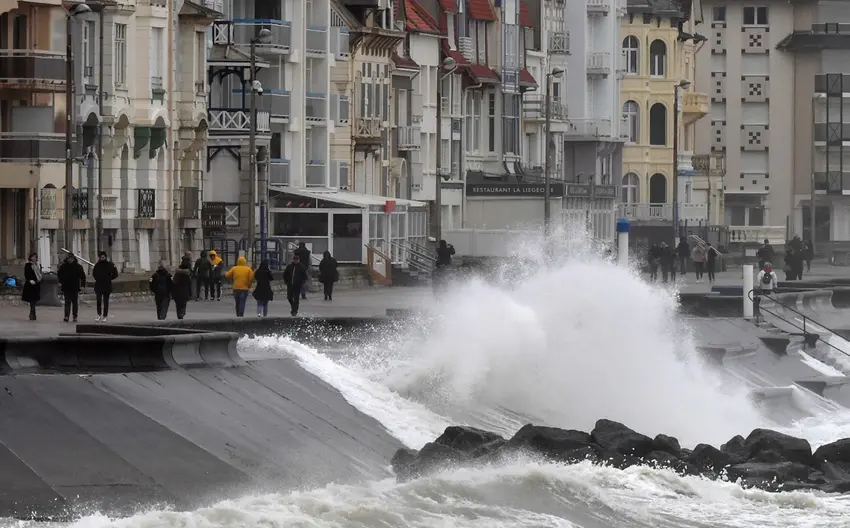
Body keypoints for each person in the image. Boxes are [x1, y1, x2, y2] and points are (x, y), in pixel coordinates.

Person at [58, 253, 86, 323]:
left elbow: (83, 276)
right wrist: (61, 282)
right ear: (67, 259)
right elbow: (59, 275)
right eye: (69, 258)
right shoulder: (63, 266)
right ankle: (66, 316)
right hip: (66, 287)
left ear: (73, 259)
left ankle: (75, 316)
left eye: (71, 258)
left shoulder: (78, 267)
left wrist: (82, 285)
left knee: (75, 303)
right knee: (67, 302)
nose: (70, 260)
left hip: (75, 287)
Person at [92, 251, 118, 322]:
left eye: (103, 257)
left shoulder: (110, 265)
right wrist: (97, 278)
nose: (102, 258)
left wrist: (109, 278)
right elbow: (94, 274)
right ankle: (99, 314)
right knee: (98, 301)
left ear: (105, 257)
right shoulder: (97, 265)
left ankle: (105, 316)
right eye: (101, 257)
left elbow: (115, 273)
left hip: (107, 285)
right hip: (99, 285)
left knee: (106, 301)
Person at [22, 253, 42, 321]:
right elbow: (26, 274)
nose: (34, 258)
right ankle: (32, 314)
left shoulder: (38, 265)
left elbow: (40, 273)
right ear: (30, 257)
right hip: (30, 285)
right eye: (32, 257)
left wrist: (38, 280)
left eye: (35, 257)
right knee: (32, 300)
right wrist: (30, 280)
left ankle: (32, 314)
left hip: (36, 284)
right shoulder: (28, 265)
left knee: (34, 300)